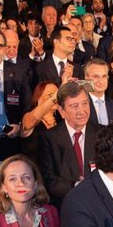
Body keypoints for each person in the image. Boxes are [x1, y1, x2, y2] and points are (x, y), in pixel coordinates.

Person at [38, 80, 98, 208]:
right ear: (62, 111)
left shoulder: (102, 134)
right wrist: (77, 186)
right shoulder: (49, 138)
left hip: (98, 203)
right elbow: (49, 179)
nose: (82, 111)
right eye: (75, 106)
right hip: (65, 205)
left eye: (85, 104)